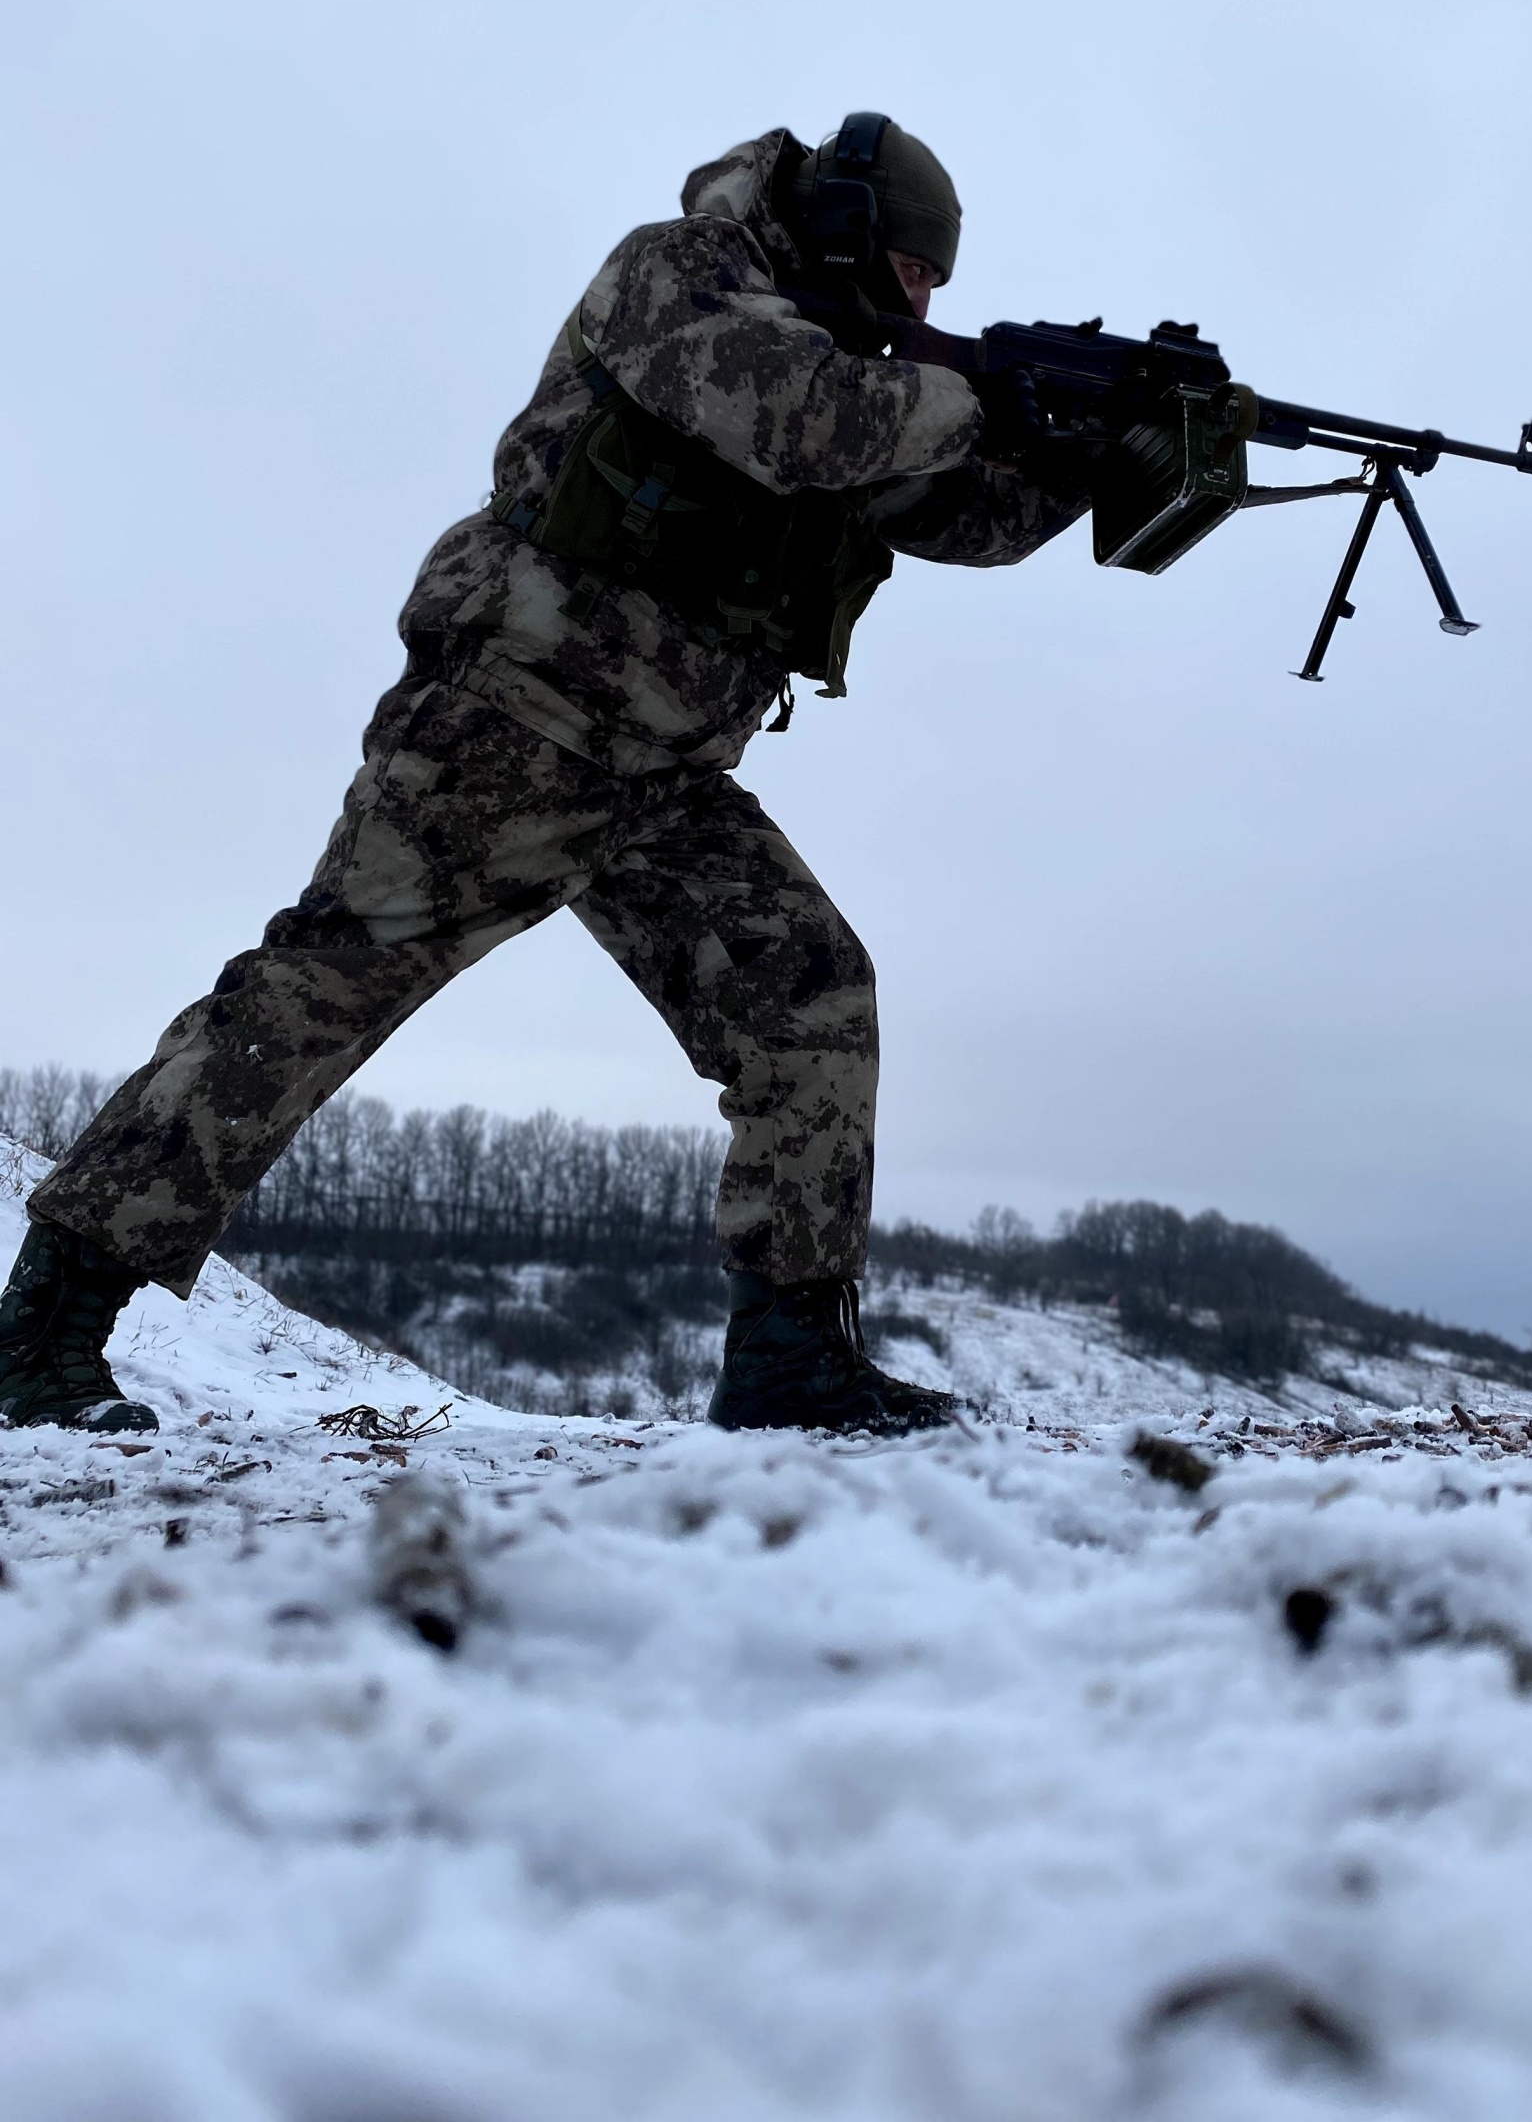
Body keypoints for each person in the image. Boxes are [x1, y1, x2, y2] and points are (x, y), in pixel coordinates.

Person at [0, 117, 1088, 1437]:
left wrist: (1089, 454)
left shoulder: (866, 376)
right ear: (850, 229)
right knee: (309, 1003)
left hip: (666, 770)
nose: (923, 307)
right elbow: (798, 422)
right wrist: (991, 392)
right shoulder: (678, 276)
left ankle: (794, 1362)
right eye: (917, 275)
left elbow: (948, 514)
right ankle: (43, 1334)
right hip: (513, 727)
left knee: (807, 995)